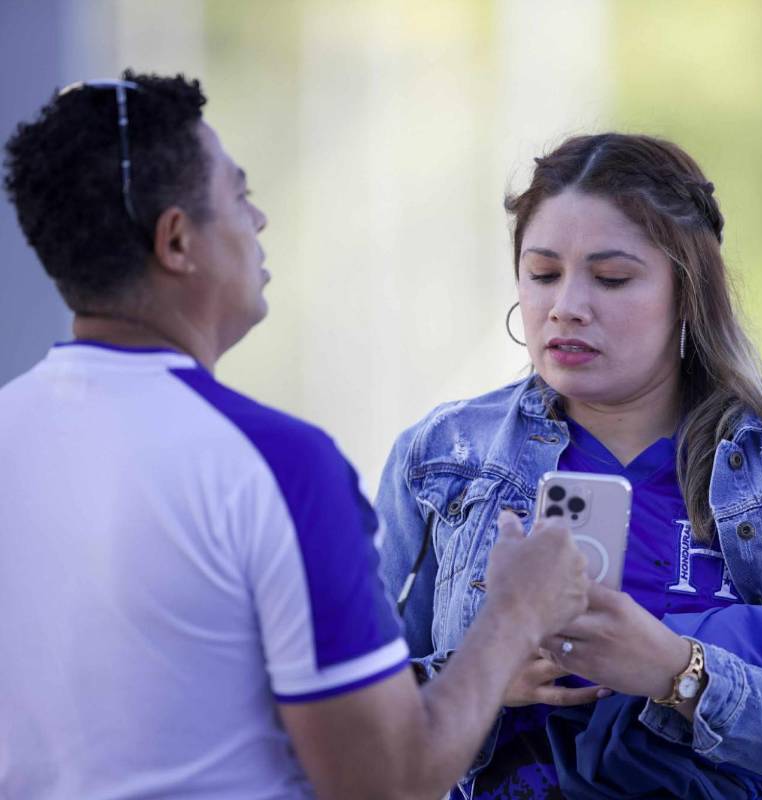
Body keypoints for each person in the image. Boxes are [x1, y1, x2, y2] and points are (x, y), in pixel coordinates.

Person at [0, 70, 591, 800]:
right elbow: (388, 780)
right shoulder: (278, 466)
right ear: (177, 240)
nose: (259, 222)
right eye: (240, 196)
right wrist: (514, 614)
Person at [376, 132, 762, 799]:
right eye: (543, 273)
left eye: (611, 277)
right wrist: (484, 673)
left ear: (688, 292)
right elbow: (357, 722)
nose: (566, 306)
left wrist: (674, 669)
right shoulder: (442, 458)